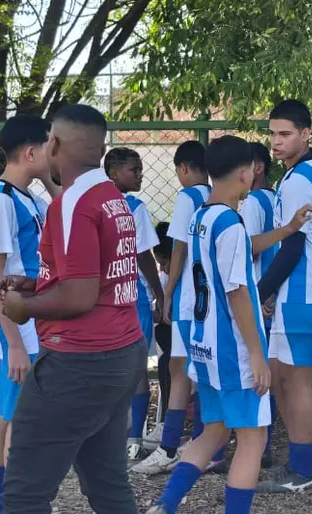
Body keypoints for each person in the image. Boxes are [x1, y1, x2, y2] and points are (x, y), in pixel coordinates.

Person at [0, 103, 148, 514]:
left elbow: (81, 296)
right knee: (107, 483)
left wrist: (23, 307)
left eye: (48, 138)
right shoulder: (110, 197)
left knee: (25, 494)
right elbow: (93, 276)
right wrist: (37, 283)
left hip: (78, 362)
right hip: (121, 353)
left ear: (56, 143)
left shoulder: (72, 204)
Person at [146, 135, 271, 514]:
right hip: (233, 349)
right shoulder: (231, 224)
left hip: (205, 346)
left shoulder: (201, 216)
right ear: (247, 173)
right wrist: (256, 354)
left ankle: (164, 505)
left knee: (214, 431)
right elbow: (236, 294)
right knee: (252, 440)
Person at [256, 99, 312, 493]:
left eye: (285, 134)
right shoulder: (297, 175)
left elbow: (291, 248)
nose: (276, 141)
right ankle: (299, 460)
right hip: (299, 291)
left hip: (309, 292)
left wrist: (259, 292)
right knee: (279, 376)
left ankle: (304, 469)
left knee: (297, 380)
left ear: (306, 135)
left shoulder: (299, 180)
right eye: (272, 133)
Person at [0, 115, 58, 514]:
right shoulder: (0, 200)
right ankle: (8, 505)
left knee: (12, 415)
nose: (55, 154)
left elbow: (65, 202)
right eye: (50, 147)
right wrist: (13, 342)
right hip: (19, 329)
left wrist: (46, 176)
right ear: (31, 151)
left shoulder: (30, 197)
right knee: (9, 419)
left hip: (33, 324)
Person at [135, 140, 212, 474]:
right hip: (209, 298)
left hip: (187, 297)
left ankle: (168, 447)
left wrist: (167, 292)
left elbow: (178, 247)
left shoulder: (187, 197)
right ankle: (197, 442)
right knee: (200, 373)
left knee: (178, 371)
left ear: (183, 169)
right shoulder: (216, 196)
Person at [104, 147, 165, 459]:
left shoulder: (94, 203)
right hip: (132, 297)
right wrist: (158, 292)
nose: (140, 174)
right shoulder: (134, 208)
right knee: (135, 368)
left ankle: (123, 436)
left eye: (140, 169)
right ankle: (133, 438)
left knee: (112, 367)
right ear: (114, 172)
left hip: (103, 298)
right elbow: (144, 255)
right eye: (133, 169)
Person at [239, 141, 279, 467]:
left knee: (258, 370)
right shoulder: (275, 196)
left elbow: (251, 247)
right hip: (273, 291)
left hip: (259, 293)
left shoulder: (252, 201)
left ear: (258, 168)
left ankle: (259, 445)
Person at [143, 221, 174, 451]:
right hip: (170, 334)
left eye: (164, 263)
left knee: (168, 362)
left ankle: (168, 422)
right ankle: (165, 420)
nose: (162, 269)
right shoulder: (165, 279)